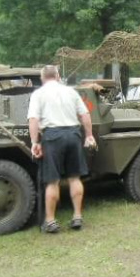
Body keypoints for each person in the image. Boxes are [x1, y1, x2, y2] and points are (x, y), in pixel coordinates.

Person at [27, 65, 97, 234]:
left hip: (52, 137)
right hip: (73, 134)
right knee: (75, 178)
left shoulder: (38, 94)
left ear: (43, 78)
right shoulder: (71, 92)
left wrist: (34, 142)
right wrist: (89, 135)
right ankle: (77, 216)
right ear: (57, 76)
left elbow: (34, 119)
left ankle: (50, 221)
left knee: (52, 181)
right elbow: (85, 115)